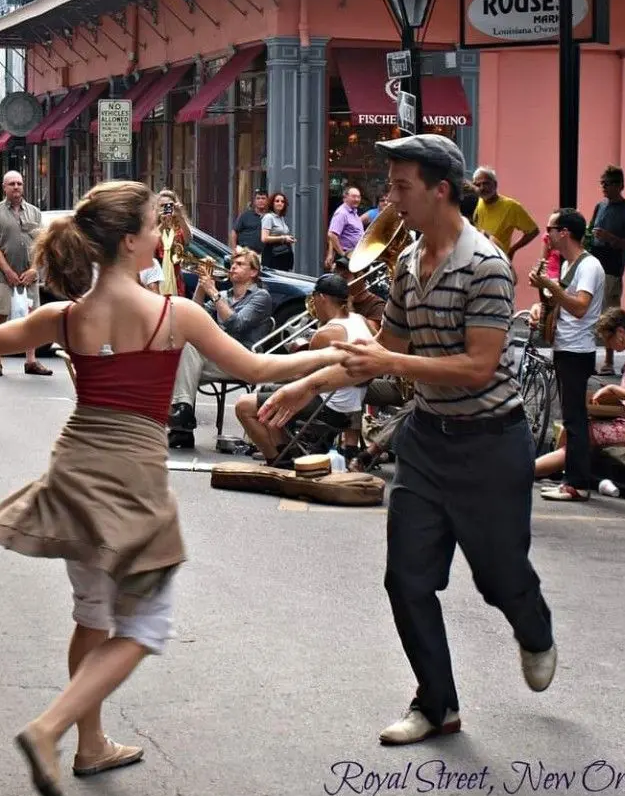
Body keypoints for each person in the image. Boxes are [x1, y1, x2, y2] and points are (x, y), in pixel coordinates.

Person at [0, 181, 346, 796]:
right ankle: (50, 728)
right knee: (145, 625)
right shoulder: (173, 314)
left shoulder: (67, 315)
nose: (163, 235)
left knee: (92, 615)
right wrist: (335, 357)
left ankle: (90, 743)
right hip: (131, 482)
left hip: (72, 472)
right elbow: (260, 370)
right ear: (130, 242)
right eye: (156, 225)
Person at [260, 134, 556, 746]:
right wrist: (304, 386)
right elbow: (384, 352)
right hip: (425, 440)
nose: (389, 200)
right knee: (407, 580)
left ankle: (534, 628)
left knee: (499, 578)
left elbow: (478, 366)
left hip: (491, 443)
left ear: (440, 190)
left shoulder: (487, 266)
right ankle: (437, 704)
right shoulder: (405, 263)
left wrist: (393, 366)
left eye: (401, 187)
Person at [235, 274, 372, 466]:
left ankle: (277, 460)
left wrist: (270, 369)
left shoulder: (326, 333)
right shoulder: (361, 320)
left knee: (244, 405)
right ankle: (286, 450)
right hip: (351, 407)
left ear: (322, 298)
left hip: (330, 408)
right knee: (267, 393)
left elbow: (300, 377)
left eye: (314, 297)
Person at [529, 208, 605, 502]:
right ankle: (571, 481)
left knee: (574, 419)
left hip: (577, 349)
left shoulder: (589, 266)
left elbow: (580, 307)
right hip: (566, 346)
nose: (546, 234)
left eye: (550, 228)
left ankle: (578, 483)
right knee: (570, 418)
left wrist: (548, 286)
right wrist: (541, 307)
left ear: (565, 232)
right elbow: (560, 304)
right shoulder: (567, 265)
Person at [534, 308, 625, 483]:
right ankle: (560, 468)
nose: (608, 345)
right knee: (571, 429)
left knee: (580, 435)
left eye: (608, 339)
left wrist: (613, 389)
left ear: (620, 333)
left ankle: (530, 471)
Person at [167, 247, 273, 434]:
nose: (232, 268)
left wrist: (213, 292)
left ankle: (181, 423)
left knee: (185, 363)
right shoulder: (225, 296)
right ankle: (182, 422)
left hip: (244, 360)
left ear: (253, 272)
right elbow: (194, 316)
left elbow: (237, 325)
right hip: (219, 358)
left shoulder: (260, 297)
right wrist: (201, 287)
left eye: (239, 264)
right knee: (176, 361)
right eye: (232, 264)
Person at [0, 171, 51, 378]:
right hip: (3, 277)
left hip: (29, 278)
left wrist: (33, 270)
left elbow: (42, 244)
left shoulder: (35, 213)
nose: (16, 187)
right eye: (11, 184)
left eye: (19, 183)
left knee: (31, 319)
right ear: (4, 187)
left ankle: (31, 361)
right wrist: (8, 271)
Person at [587, 165, 625, 375]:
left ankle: (608, 360)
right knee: (590, 311)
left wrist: (610, 238)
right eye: (602, 183)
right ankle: (589, 356)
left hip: (613, 265)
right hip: (595, 261)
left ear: (620, 185)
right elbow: (590, 230)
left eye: (607, 183)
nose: (603, 187)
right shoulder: (600, 206)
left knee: (610, 313)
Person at [471, 166, 540, 261]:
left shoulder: (511, 206)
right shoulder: (473, 203)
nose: (482, 188)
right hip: (475, 259)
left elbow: (533, 231)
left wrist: (512, 250)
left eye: (486, 183)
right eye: (477, 185)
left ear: (495, 184)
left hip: (497, 260)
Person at [154, 189, 191, 297]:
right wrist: (162, 224)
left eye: (170, 205)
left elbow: (188, 240)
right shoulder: (152, 225)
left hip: (175, 279)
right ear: (156, 208)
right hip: (156, 279)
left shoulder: (179, 226)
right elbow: (150, 243)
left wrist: (180, 216)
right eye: (162, 206)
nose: (166, 208)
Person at [325, 186, 364, 269]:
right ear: (345, 198)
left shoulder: (354, 213)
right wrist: (342, 254)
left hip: (354, 256)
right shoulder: (342, 213)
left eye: (358, 197)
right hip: (345, 258)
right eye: (353, 196)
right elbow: (332, 234)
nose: (357, 199)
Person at [260, 191, 296, 271]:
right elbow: (264, 238)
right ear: (272, 203)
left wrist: (288, 238)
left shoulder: (281, 218)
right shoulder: (268, 217)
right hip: (273, 256)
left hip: (284, 255)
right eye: (277, 201)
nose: (280, 203)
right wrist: (283, 238)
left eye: (282, 201)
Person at [229, 188, 269, 255]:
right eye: (258, 198)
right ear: (254, 201)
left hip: (263, 255)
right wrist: (234, 249)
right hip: (245, 253)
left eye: (263, 198)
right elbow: (234, 232)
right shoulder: (245, 215)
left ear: (267, 200)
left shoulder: (270, 217)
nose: (261, 200)